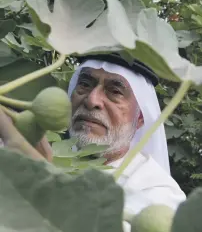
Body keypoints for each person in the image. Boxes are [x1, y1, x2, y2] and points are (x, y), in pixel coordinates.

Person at [0, 53, 186, 230]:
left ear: (139, 119)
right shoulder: (37, 147)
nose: (91, 100)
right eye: (85, 84)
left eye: (114, 91)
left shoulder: (159, 194)